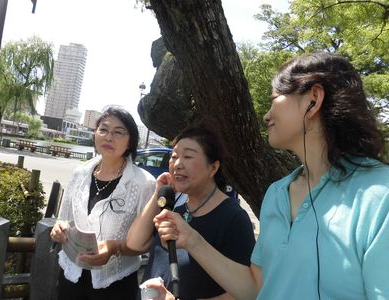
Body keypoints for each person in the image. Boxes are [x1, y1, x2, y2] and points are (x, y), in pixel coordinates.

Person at [153, 52, 389, 299]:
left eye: (274, 99)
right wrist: (191, 240)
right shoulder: (277, 193)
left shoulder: (379, 195)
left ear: (313, 100)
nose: (266, 115)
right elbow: (256, 288)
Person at [127, 126, 256, 299]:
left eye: (187, 156)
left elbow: (244, 293)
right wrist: (159, 193)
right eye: (174, 156)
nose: (177, 164)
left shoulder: (234, 219)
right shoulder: (176, 207)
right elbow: (135, 244)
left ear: (213, 168)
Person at [50, 106, 156, 300]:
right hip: (71, 275)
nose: (109, 137)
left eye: (118, 132)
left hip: (116, 283)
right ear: (95, 134)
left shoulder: (144, 183)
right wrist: (59, 229)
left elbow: (148, 242)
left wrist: (115, 248)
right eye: (104, 129)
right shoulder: (79, 173)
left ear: (130, 140)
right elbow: (63, 219)